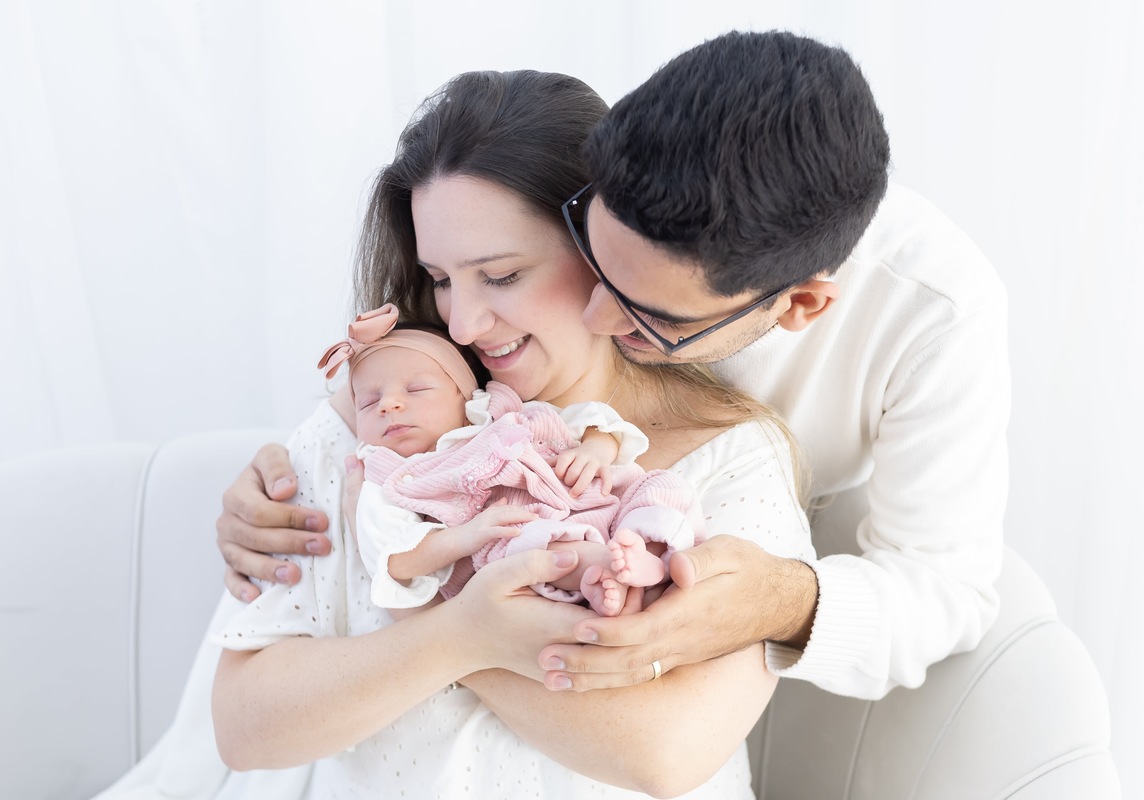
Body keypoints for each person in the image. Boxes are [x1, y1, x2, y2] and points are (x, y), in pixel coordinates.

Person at [218, 29, 1009, 704]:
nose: (596, 316)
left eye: (648, 317)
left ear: (798, 308)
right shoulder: (649, 157)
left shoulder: (932, 314)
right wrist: (312, 460)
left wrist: (780, 598)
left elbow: (944, 587)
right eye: (593, 258)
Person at [202, 67, 814, 800]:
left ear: (605, 253)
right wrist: (463, 633)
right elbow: (244, 725)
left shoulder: (724, 455)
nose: (462, 324)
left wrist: (445, 613)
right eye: (440, 278)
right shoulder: (374, 425)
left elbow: (667, 752)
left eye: (500, 275)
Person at [319, 303, 704, 616]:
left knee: (659, 485)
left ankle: (649, 548)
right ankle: (606, 569)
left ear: (464, 393)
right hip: (511, 543)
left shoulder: (500, 410)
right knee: (529, 546)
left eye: (417, 389)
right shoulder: (387, 482)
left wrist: (594, 449)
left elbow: (593, 420)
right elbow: (395, 560)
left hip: (593, 502)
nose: (389, 405)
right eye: (369, 403)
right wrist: (465, 537)